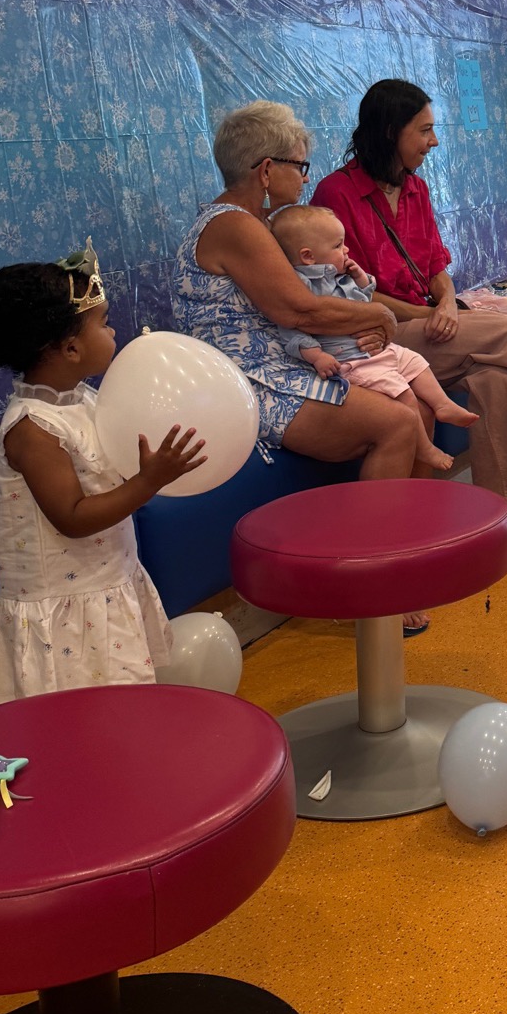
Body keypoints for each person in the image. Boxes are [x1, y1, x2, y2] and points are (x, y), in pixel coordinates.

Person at [171, 100, 443, 632]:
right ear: (267, 170)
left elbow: (308, 303)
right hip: (248, 382)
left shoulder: (252, 223)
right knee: (396, 422)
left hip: (283, 364)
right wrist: (377, 314)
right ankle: (370, 585)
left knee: (408, 394)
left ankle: (399, 557)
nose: (304, 178)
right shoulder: (235, 226)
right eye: (300, 166)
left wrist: (366, 321)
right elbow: (296, 308)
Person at [313, 80, 507, 541]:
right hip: (379, 337)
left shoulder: (415, 189)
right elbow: (349, 290)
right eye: (425, 131)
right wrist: (428, 316)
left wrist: (449, 303)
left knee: (494, 379)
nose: (434, 142)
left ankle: (498, 525)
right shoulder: (335, 194)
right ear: (391, 131)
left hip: (429, 326)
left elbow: (437, 265)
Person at [0, 246, 204, 701]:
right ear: (71, 348)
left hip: (105, 585)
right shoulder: (34, 428)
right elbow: (72, 517)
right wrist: (149, 481)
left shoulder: (81, 398)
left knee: (119, 704)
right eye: (104, 322)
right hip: (66, 610)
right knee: (82, 712)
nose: (113, 331)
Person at [270, 205, 479, 475]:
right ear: (308, 256)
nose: (346, 251)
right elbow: (292, 332)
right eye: (338, 245)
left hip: (376, 351)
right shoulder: (300, 287)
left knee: (415, 362)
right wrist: (316, 356)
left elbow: (362, 303)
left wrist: (361, 281)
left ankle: (442, 405)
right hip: (352, 361)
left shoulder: (339, 277)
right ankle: (424, 447)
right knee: (403, 393)